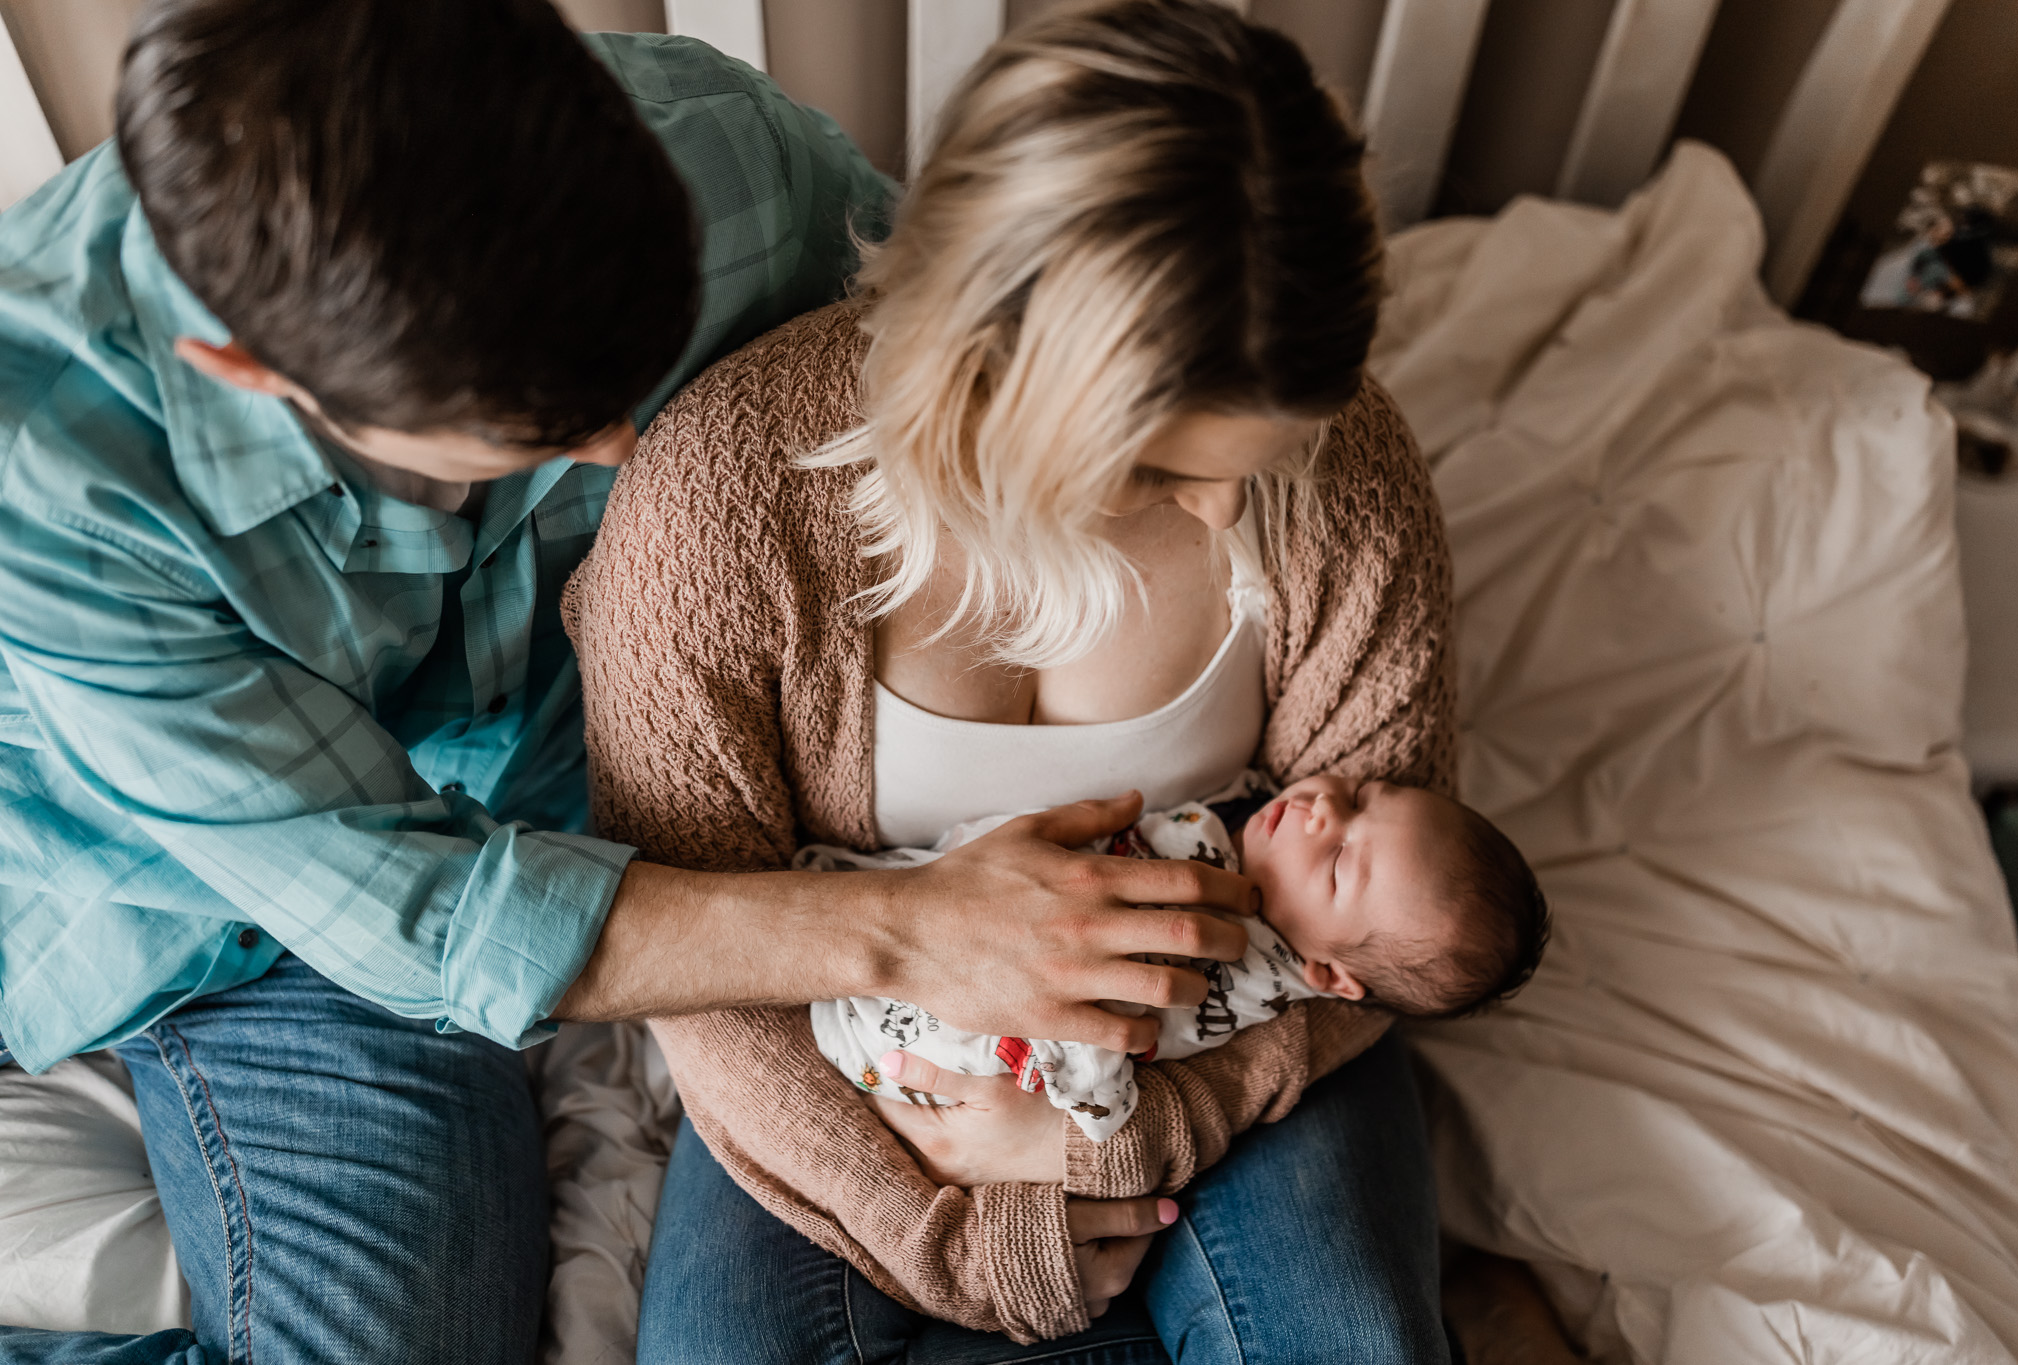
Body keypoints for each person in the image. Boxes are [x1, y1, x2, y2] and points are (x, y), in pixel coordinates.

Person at [0, 3, 1261, 1362]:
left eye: (628, 385)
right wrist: (913, 929)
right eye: (529, 433)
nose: (616, 449)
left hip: (598, 779)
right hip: (246, 902)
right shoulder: (50, 471)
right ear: (249, 371)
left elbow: (958, 361)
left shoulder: (719, 154)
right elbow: (422, 912)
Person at [565, 1, 1463, 1357]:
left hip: (1222, 1047)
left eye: (1262, 455)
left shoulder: (1344, 474)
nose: (1223, 515)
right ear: (991, 372)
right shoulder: (717, 511)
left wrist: (1123, 1133)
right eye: (1159, 468)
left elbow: (1391, 914)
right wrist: (950, 1232)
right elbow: (699, 958)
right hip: (842, 1068)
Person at [810, 771, 1550, 1142]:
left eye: (1336, 865)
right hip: (897, 921)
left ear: (1327, 974)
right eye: (1359, 791)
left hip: (923, 1022)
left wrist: (1096, 1114)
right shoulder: (1244, 840)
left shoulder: (1232, 965)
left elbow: (1100, 1010)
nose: (1324, 808)